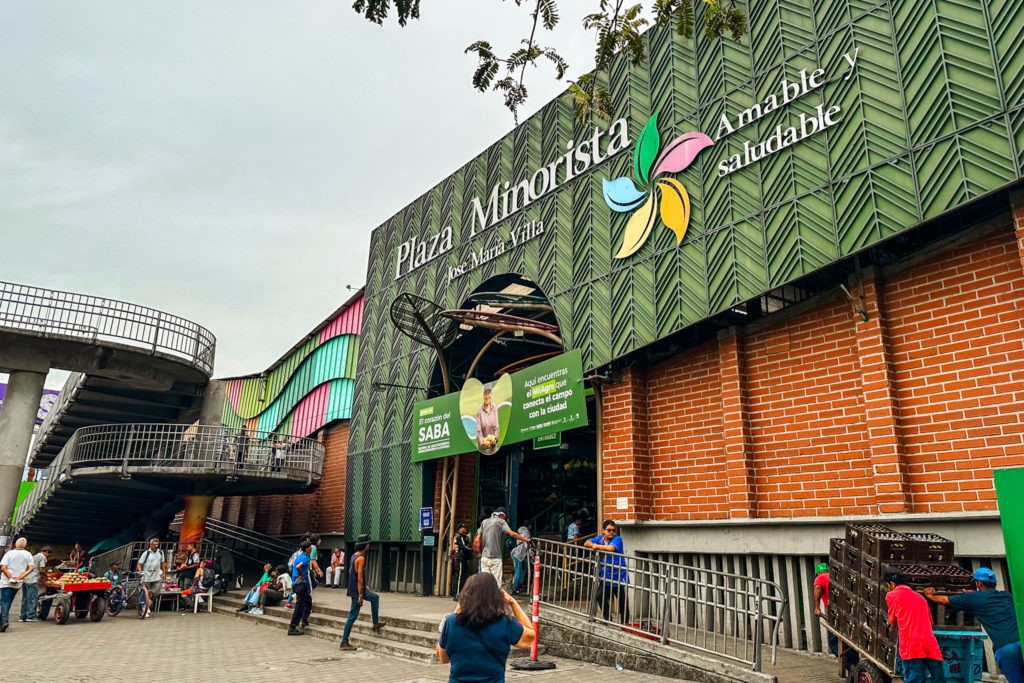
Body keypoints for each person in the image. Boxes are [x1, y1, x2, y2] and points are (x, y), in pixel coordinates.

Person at [925, 567, 1022, 683]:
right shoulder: (1006, 595)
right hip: (1021, 642)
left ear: (979, 584)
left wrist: (930, 595)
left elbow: (943, 600)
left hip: (1006, 648)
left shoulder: (973, 598)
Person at [436, 573, 535, 682]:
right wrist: (513, 603)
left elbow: (443, 658)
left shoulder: (451, 622)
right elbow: (530, 636)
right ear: (496, 596)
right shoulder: (505, 623)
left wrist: (458, 609)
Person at [885, 571, 945, 683]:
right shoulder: (920, 597)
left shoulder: (891, 595)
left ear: (892, 584)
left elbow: (892, 622)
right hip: (930, 644)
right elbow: (930, 622)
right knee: (939, 680)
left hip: (911, 646)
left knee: (915, 680)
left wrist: (888, 622)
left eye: (887, 585)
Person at [339, 534, 386, 650]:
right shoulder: (361, 559)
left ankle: (375, 624)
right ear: (365, 545)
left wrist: (364, 587)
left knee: (375, 598)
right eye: (368, 543)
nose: (369, 545)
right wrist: (360, 594)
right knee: (352, 616)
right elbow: (359, 578)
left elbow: (355, 576)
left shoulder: (353, 556)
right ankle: (344, 642)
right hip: (357, 591)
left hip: (358, 589)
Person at [585, 519, 629, 624]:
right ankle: (608, 619)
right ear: (603, 531)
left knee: (622, 602)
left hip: (618, 575)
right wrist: (593, 545)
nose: (611, 532)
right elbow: (586, 543)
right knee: (600, 596)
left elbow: (611, 548)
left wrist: (597, 547)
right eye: (609, 530)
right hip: (606, 576)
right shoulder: (600, 539)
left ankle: (625, 624)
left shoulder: (618, 539)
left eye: (614, 530)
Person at [476, 508, 528, 586]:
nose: (505, 519)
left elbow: (477, 540)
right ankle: (494, 598)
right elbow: (512, 534)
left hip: (484, 557)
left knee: (484, 582)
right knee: (496, 584)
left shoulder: (485, 521)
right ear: (502, 515)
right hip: (496, 558)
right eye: (505, 517)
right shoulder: (501, 522)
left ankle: (484, 597)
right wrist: (526, 540)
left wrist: (479, 552)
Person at [0, 538, 36, 632]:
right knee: (8, 600)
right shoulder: (28, 554)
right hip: (17, 583)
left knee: (5, 601)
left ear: (15, 545)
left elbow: (3, 567)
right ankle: (2, 621)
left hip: (6, 582)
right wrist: (20, 577)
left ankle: (4, 621)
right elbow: (31, 568)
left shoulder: (9, 553)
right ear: (25, 545)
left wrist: (10, 577)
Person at [136, 538, 167, 619]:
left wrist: (164, 572)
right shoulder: (146, 553)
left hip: (156, 576)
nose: (156, 546)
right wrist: (140, 572)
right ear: (151, 545)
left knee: (156, 591)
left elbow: (163, 563)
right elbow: (139, 564)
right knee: (144, 593)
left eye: (157, 544)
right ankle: (144, 608)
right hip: (146, 576)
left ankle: (148, 601)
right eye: (154, 544)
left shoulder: (160, 552)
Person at [287, 540, 313, 636]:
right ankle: (292, 627)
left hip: (297, 584)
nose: (311, 549)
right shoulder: (305, 558)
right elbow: (298, 567)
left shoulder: (299, 556)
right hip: (301, 584)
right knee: (300, 606)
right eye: (310, 547)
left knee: (308, 601)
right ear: (307, 549)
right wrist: (301, 575)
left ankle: (304, 619)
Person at [812, 562, 838, 656]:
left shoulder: (820, 578)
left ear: (818, 573)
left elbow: (818, 588)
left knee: (833, 642)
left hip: (833, 612)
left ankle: (849, 666)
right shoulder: (835, 576)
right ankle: (854, 665)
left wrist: (817, 607)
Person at [20, 545, 50, 623]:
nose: (48, 556)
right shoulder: (42, 557)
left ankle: (23, 616)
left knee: (25, 598)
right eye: (48, 554)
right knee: (33, 599)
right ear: (46, 552)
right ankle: (31, 616)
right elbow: (41, 570)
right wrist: (46, 576)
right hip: (32, 580)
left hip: (26, 579)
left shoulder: (34, 556)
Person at [475, 384, 500, 454]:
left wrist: (495, 438)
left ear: (491, 394)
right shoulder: (479, 411)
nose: (487, 396)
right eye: (485, 394)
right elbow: (478, 432)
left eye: (489, 393)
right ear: (483, 395)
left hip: (493, 449)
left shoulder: (495, 407)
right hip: (483, 450)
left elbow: (496, 428)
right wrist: (483, 442)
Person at [451, 522, 473, 601]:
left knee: (462, 576)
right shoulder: (459, 537)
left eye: (466, 528)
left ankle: (459, 593)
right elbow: (463, 547)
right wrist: (472, 549)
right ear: (459, 529)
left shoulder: (465, 537)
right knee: (459, 576)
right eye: (463, 528)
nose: (465, 529)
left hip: (464, 558)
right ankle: (456, 594)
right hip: (460, 558)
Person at [511, 520, 532, 595]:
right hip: (518, 554)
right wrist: (532, 556)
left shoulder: (521, 531)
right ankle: (515, 588)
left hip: (517, 553)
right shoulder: (526, 533)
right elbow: (527, 545)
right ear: (528, 525)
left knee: (524, 567)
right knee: (518, 570)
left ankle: (519, 584)